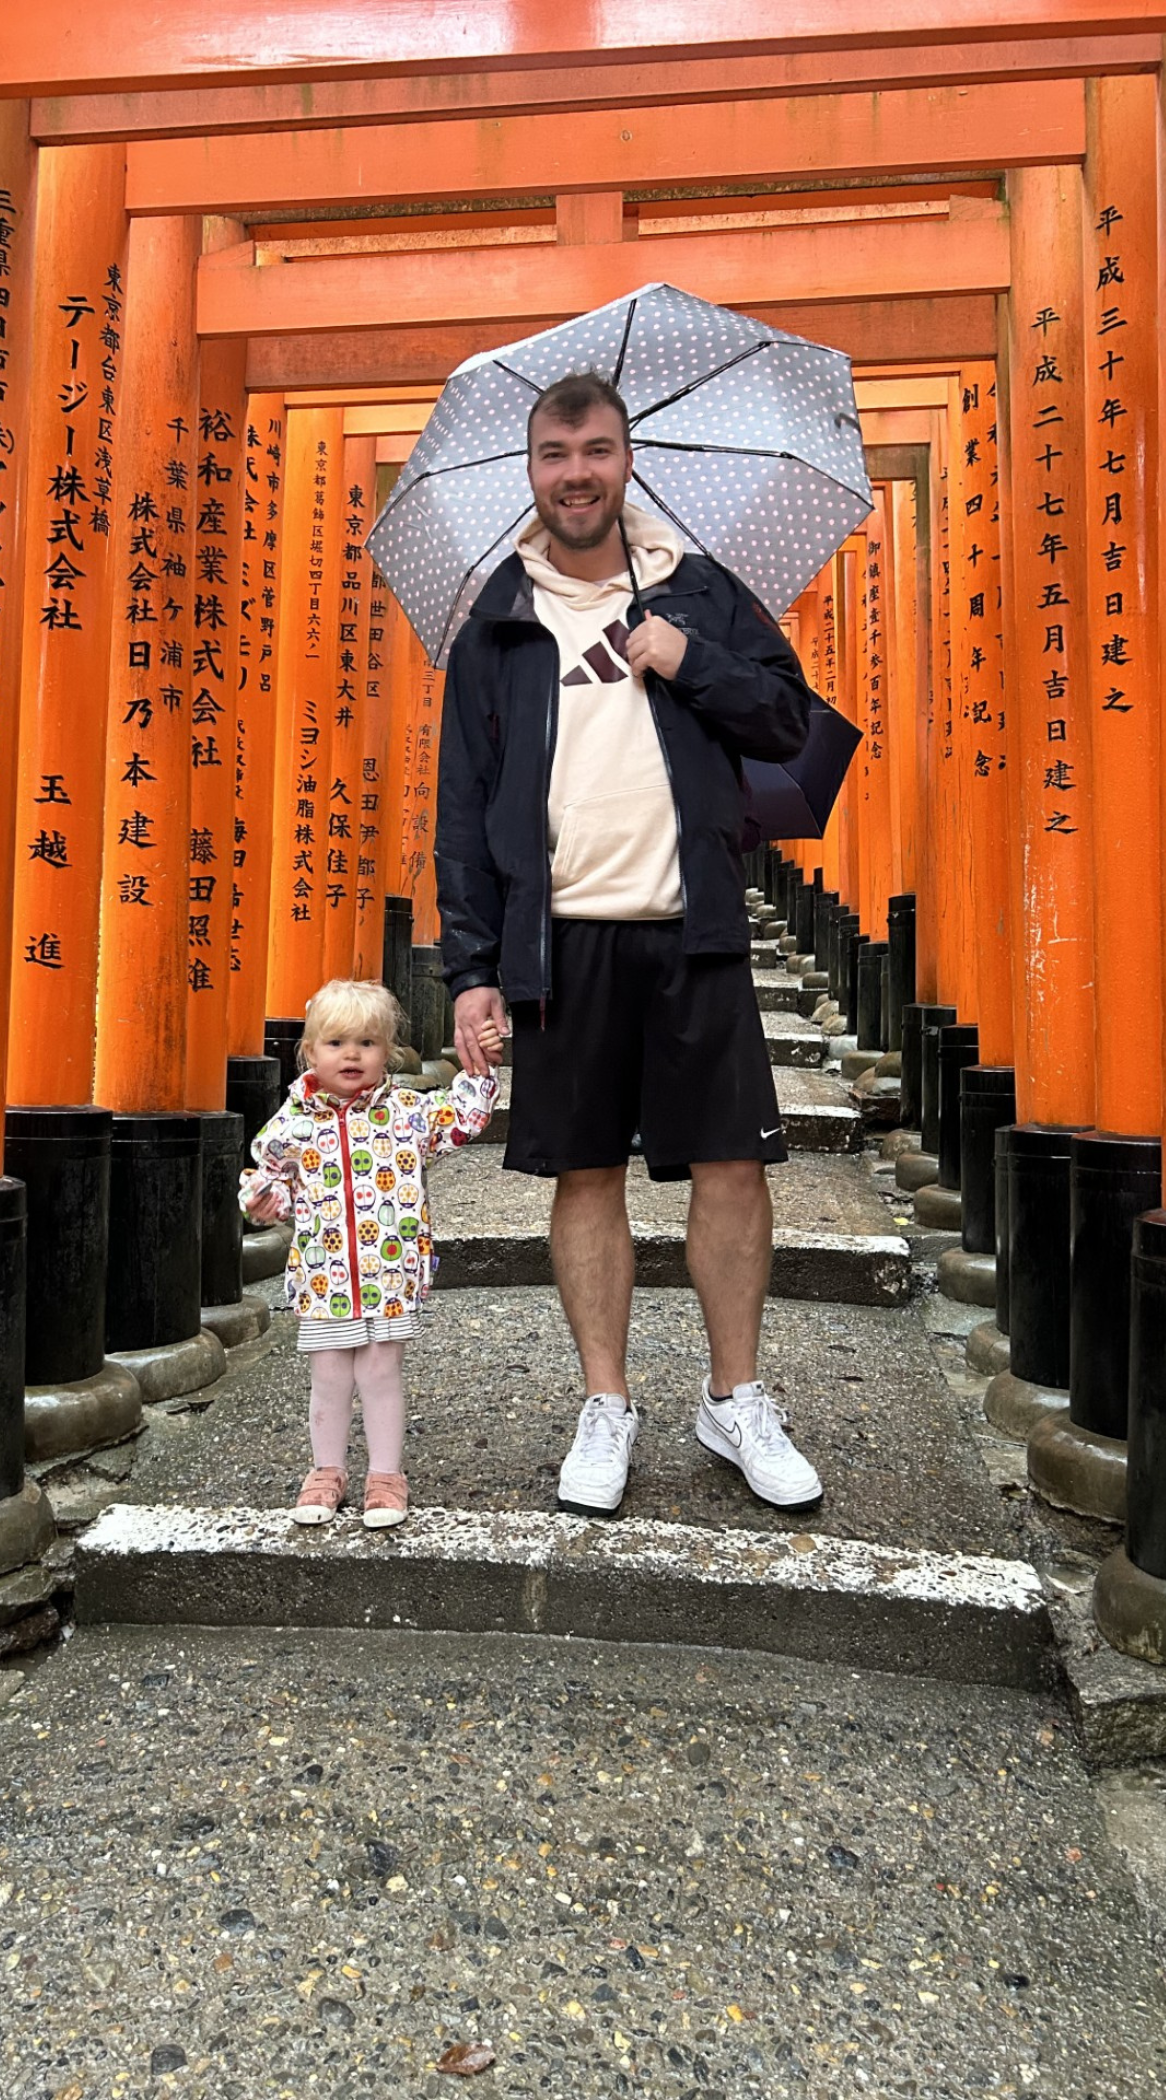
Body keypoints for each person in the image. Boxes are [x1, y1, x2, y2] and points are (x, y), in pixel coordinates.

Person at [436, 370, 824, 1521]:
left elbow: (789, 721)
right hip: (561, 943)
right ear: (529, 470)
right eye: (554, 455)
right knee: (584, 1172)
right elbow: (462, 808)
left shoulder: (698, 594)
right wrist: (468, 971)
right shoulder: (496, 624)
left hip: (692, 927)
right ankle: (604, 1401)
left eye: (595, 451)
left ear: (627, 459)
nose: (575, 474)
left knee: (733, 1167)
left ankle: (735, 1397)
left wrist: (680, 655)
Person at [241, 979, 500, 1529]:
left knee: (383, 1371)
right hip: (323, 1274)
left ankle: (385, 1476)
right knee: (330, 1376)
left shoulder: (408, 1111)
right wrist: (266, 1200)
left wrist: (479, 1069)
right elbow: (274, 1181)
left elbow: (461, 1119)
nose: (352, 1054)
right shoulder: (294, 1123)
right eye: (336, 1043)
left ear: (388, 1051)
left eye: (367, 1043)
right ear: (309, 1052)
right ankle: (325, 1471)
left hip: (391, 1270)